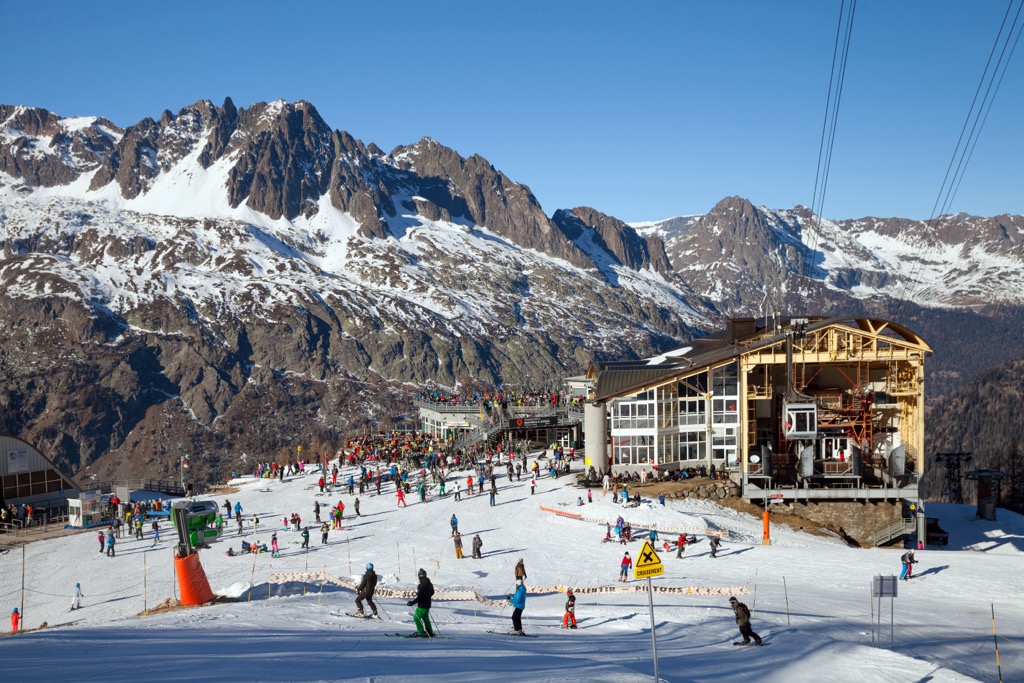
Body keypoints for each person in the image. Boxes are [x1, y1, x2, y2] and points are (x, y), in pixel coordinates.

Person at [407, 568, 435, 637]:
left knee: (416, 618)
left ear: (419, 576)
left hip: (422, 605)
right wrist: (427, 597)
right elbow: (432, 592)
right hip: (428, 604)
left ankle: (420, 632)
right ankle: (430, 632)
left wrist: (412, 603)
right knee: (425, 618)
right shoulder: (429, 583)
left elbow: (420, 597)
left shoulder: (421, 585)